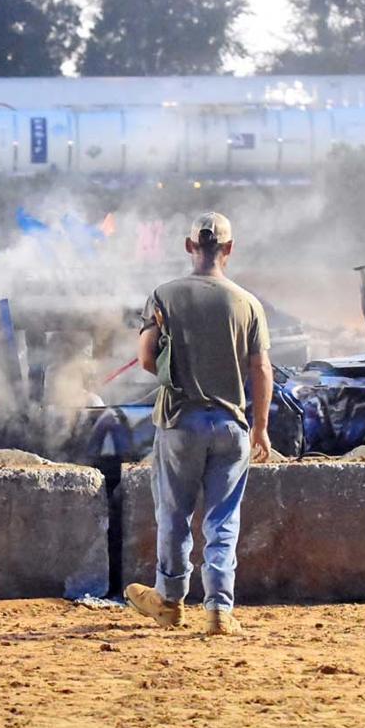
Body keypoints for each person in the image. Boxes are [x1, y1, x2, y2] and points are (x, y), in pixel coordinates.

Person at [123, 212, 272, 636]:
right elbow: (262, 369)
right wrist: (260, 427)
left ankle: (169, 600)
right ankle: (219, 610)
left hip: (180, 423)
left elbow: (147, 358)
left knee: (174, 513)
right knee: (223, 519)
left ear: (190, 247)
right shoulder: (248, 303)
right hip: (231, 425)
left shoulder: (164, 296)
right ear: (229, 250)